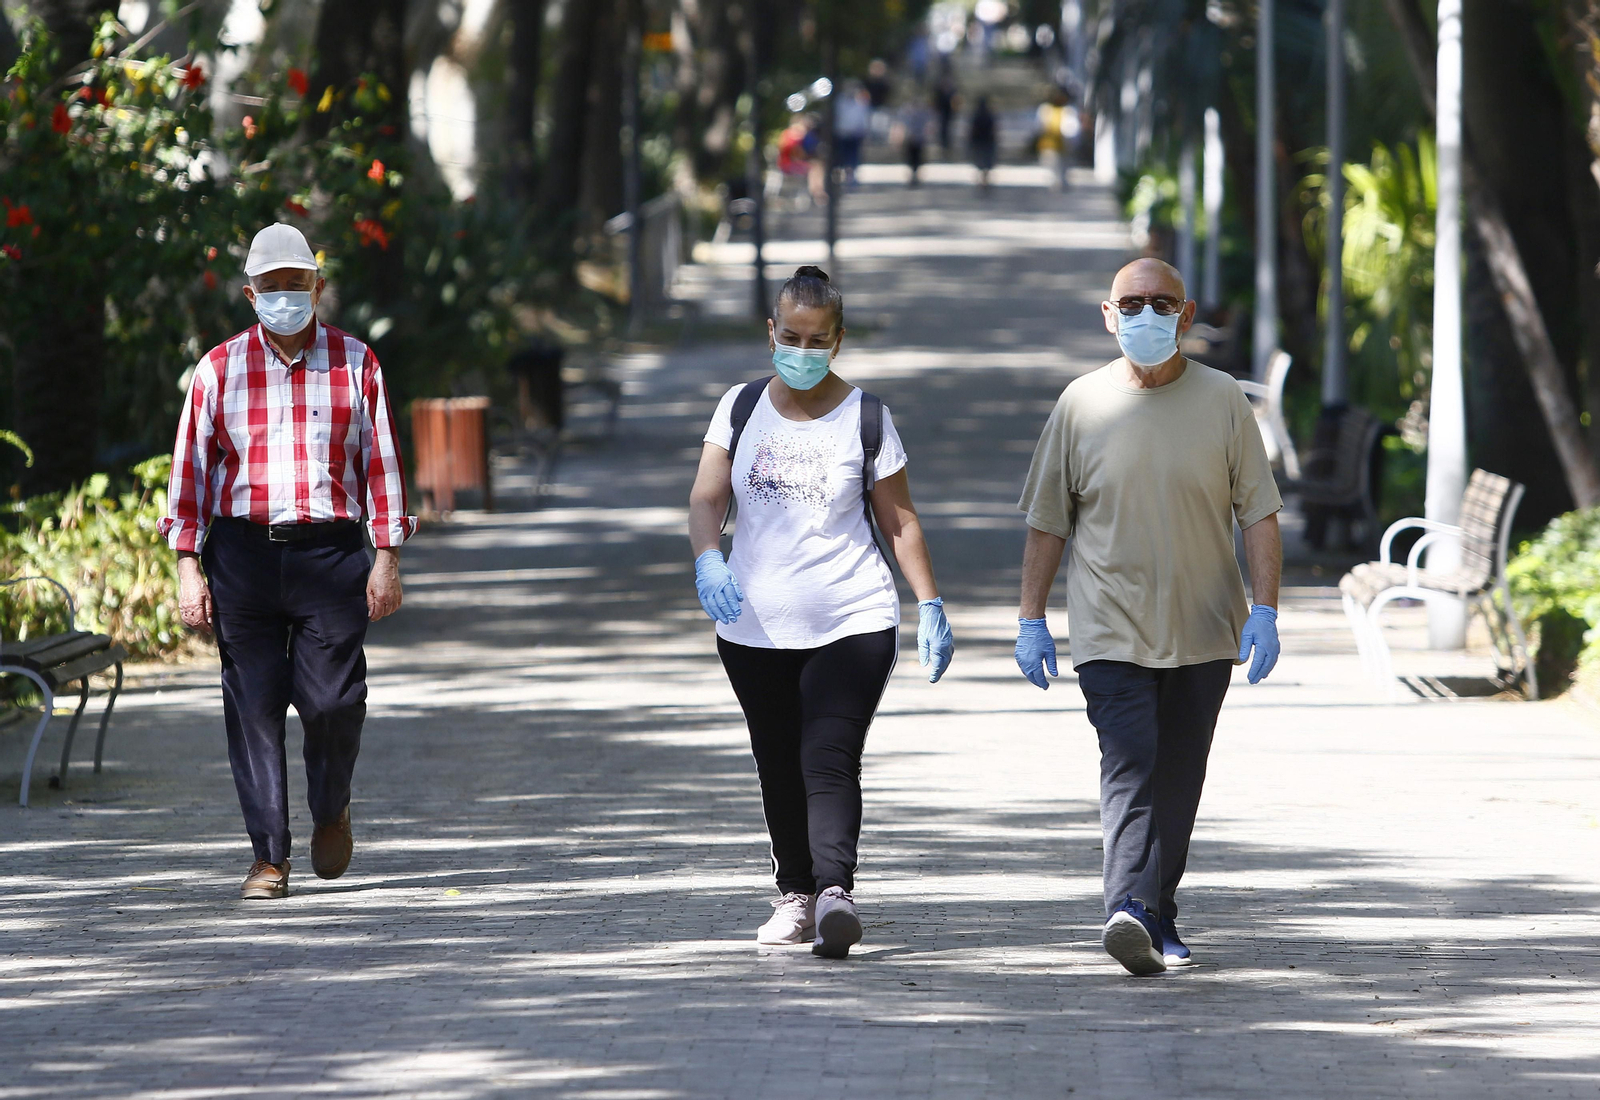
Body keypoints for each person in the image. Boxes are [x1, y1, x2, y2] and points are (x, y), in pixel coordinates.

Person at [1013, 258, 1282, 976]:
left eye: (1163, 303)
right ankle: (1127, 908)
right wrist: (1031, 618)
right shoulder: (1079, 404)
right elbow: (1047, 522)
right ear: (1108, 315)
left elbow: (1259, 512)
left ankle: (1158, 913)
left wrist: (1267, 610)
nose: (1147, 315)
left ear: (1187, 316)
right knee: (1130, 765)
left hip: (1203, 629)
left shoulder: (1223, 400)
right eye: (1132, 303)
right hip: (1110, 629)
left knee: (1180, 777)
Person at [687, 266, 955, 959]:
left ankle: (836, 892)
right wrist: (707, 557)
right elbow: (708, 498)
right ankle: (795, 897)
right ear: (771, 332)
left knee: (826, 758)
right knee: (776, 759)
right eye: (792, 336)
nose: (803, 351)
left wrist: (929, 602)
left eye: (819, 340)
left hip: (852, 619)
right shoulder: (741, 407)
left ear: (838, 341)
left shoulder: (866, 418)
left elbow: (899, 523)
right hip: (751, 626)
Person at [161, 223, 416, 901]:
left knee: (334, 701)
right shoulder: (217, 370)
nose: (283, 298)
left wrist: (386, 554)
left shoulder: (357, 363)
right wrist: (188, 564)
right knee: (253, 706)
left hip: (331, 552)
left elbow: (381, 462)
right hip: (242, 554)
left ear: (317, 288)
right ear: (250, 294)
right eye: (269, 288)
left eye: (294, 286)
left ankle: (331, 806)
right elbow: (189, 471)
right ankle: (268, 858)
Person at [835, 85, 873, 186]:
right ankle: (844, 173)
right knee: (842, 155)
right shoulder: (840, 103)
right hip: (842, 134)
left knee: (854, 155)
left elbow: (864, 120)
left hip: (855, 135)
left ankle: (851, 175)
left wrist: (865, 133)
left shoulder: (860, 104)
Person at [968, 95, 998, 191]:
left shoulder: (977, 114)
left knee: (981, 159)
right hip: (987, 140)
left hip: (980, 140)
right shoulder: (989, 114)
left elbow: (972, 128)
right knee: (986, 159)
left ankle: (983, 177)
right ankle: (985, 177)